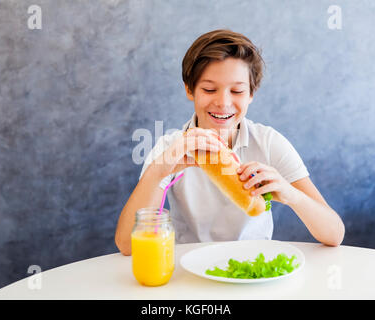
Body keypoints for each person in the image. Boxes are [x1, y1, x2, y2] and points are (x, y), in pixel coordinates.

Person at [115, 29, 344, 255]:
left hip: (253, 272)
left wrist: (290, 194)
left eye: (237, 90)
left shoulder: (268, 142)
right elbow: (127, 244)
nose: (223, 102)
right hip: (188, 274)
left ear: (251, 94)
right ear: (189, 90)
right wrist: (158, 171)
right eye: (209, 89)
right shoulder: (170, 147)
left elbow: (334, 234)